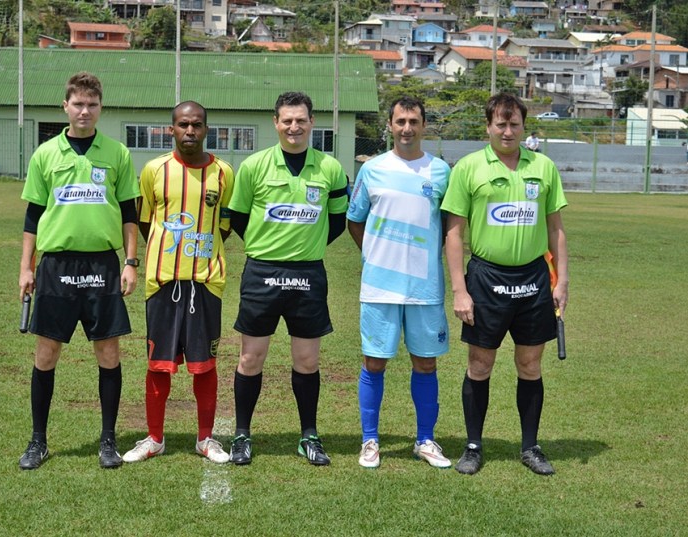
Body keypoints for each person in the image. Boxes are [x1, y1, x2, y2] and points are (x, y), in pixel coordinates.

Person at [17, 72, 140, 470]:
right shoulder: (45, 154)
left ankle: (108, 440)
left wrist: (131, 261)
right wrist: (26, 267)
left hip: (102, 265)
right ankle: (38, 441)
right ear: (65, 107)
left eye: (92, 105)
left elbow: (129, 213)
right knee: (46, 352)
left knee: (107, 351)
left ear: (100, 109)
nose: (85, 111)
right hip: (56, 265)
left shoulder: (117, 153)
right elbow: (33, 214)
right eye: (78, 104)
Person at [442, 92, 569, 476]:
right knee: (480, 364)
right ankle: (473, 445)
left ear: (524, 127)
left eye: (515, 124)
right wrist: (459, 289)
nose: (508, 130)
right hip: (485, 278)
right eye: (501, 123)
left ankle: (530, 446)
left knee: (530, 364)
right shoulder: (468, 168)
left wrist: (562, 281)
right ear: (488, 126)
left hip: (533, 278)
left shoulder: (543, 167)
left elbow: (556, 229)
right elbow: (454, 233)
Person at [227, 91, 348, 466]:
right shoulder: (253, 166)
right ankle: (243, 434)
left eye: (301, 120)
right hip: (262, 272)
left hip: (308, 274)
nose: (293, 127)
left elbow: (337, 221)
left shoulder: (330, 168)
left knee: (307, 360)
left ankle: (309, 435)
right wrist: (270, 246)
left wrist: (303, 248)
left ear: (312, 122)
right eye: (286, 120)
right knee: (251, 357)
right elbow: (238, 219)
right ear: (275, 123)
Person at [122, 101, 234, 465]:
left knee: (205, 365)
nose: (190, 131)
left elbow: (225, 226)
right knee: (159, 364)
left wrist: (198, 252)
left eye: (197, 125)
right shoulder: (154, 170)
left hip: (205, 282)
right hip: (163, 282)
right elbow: (144, 221)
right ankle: (154, 437)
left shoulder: (223, 173)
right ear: (171, 129)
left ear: (206, 129)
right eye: (183, 124)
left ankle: (205, 439)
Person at [347, 96, 452, 470]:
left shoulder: (440, 172)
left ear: (424, 125)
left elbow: (449, 227)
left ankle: (425, 439)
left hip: (425, 289)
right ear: (389, 126)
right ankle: (370, 440)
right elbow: (354, 219)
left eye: (414, 121)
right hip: (380, 285)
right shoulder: (371, 169)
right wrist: (375, 253)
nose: (407, 128)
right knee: (374, 362)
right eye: (400, 121)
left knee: (425, 364)